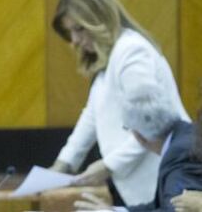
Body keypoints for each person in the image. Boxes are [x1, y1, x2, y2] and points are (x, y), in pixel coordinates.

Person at [50, 0, 190, 205]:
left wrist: (108, 165)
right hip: (140, 186)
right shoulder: (110, 58)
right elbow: (92, 116)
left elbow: (151, 127)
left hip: (162, 180)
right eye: (70, 32)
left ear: (99, 19)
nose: (74, 40)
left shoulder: (132, 52)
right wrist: (62, 165)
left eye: (79, 29)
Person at [73, 84, 202, 211]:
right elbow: (160, 205)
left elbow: (176, 209)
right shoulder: (186, 134)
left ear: (138, 135)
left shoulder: (180, 153)